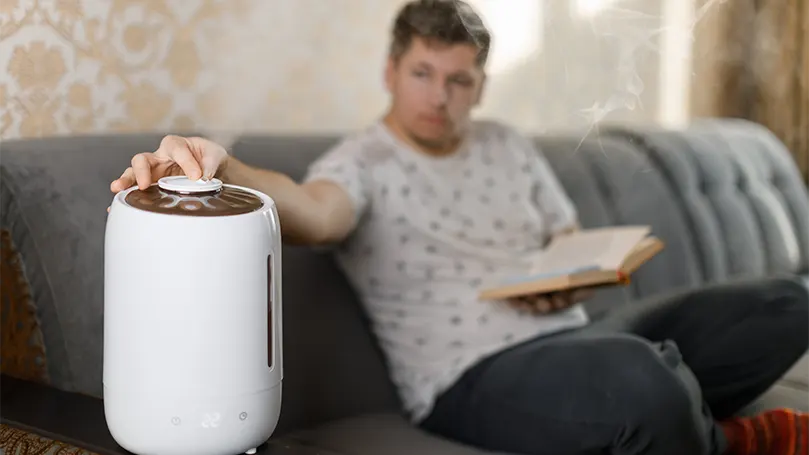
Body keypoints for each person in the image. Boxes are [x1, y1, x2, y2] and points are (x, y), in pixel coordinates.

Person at [110, 1, 809, 454]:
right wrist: (223, 165)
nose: (438, 97)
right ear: (391, 70)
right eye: (422, 73)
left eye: (458, 80)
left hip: (579, 332)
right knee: (645, 378)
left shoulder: (506, 144)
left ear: (479, 84)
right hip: (468, 378)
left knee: (784, 303)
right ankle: (722, 436)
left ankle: (689, 417)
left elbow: (562, 245)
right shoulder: (361, 162)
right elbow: (310, 210)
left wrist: (557, 279)